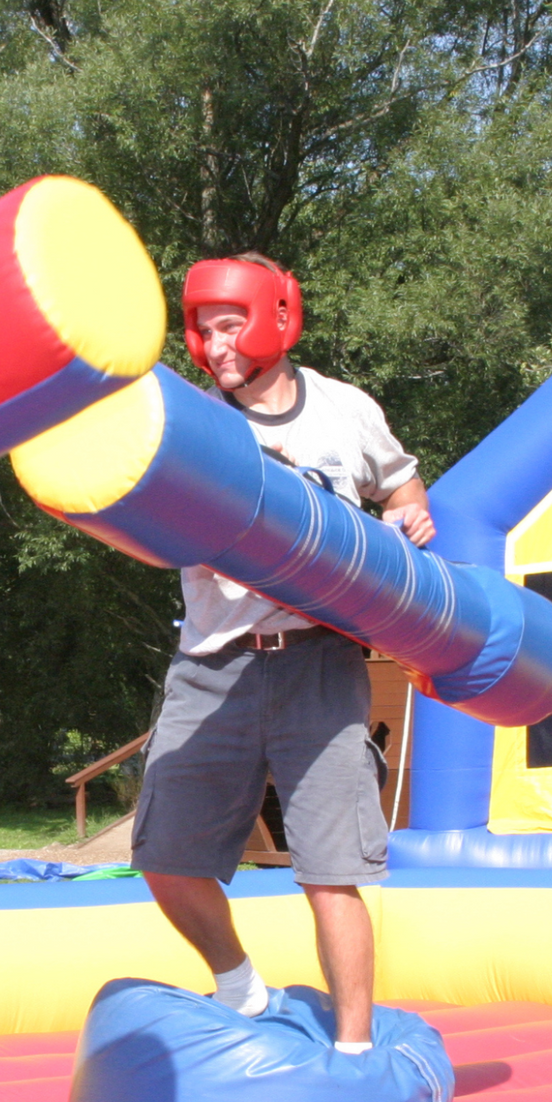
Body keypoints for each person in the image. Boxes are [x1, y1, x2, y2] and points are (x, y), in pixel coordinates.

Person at [132, 254, 435, 1051]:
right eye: (200, 328)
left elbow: (401, 488)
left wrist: (411, 518)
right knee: (163, 855)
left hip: (318, 662)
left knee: (332, 871)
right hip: (213, 659)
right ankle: (242, 988)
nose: (211, 342)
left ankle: (355, 1049)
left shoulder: (343, 411)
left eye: (226, 323)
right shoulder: (191, 424)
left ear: (275, 314)